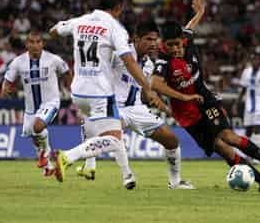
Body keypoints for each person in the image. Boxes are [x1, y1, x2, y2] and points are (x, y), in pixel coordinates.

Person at [152, 0, 260, 194]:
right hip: (187, 115)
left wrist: (200, 13)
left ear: (182, 39)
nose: (175, 49)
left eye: (177, 44)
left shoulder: (187, 39)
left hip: (205, 100)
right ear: (163, 44)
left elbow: (191, 26)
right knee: (222, 148)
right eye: (170, 45)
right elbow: (155, 83)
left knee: (228, 136)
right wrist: (184, 98)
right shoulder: (164, 61)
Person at [49, 0, 162, 183]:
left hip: (78, 91)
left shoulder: (80, 21)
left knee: (109, 133)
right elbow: (129, 61)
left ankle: (123, 175)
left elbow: (54, 31)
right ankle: (66, 156)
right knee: (113, 139)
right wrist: (147, 86)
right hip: (99, 92)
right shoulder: (115, 28)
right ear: (118, 7)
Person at [77, 20, 195, 189]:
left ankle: (175, 182)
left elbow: (144, 93)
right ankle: (96, 165)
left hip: (138, 109)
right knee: (106, 132)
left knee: (171, 140)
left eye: (155, 40)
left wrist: (162, 105)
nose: (153, 44)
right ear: (136, 39)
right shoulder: (118, 55)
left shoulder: (148, 64)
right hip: (116, 107)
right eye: (148, 39)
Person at [1, 31, 72, 176]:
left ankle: (45, 154)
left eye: (38, 42)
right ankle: (50, 166)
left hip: (50, 102)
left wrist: (71, 88)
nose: (35, 45)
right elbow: (8, 80)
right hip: (30, 108)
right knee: (33, 134)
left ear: (42, 44)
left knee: (38, 126)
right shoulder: (18, 62)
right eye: (32, 42)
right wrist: (5, 89)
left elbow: (67, 72)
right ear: (27, 44)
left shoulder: (53, 59)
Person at [232, 52, 260, 160]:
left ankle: (258, 156)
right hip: (249, 106)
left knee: (257, 128)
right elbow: (243, 89)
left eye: (257, 59)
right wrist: (236, 104)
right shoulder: (246, 72)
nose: (255, 61)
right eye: (253, 59)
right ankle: (246, 153)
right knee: (248, 130)